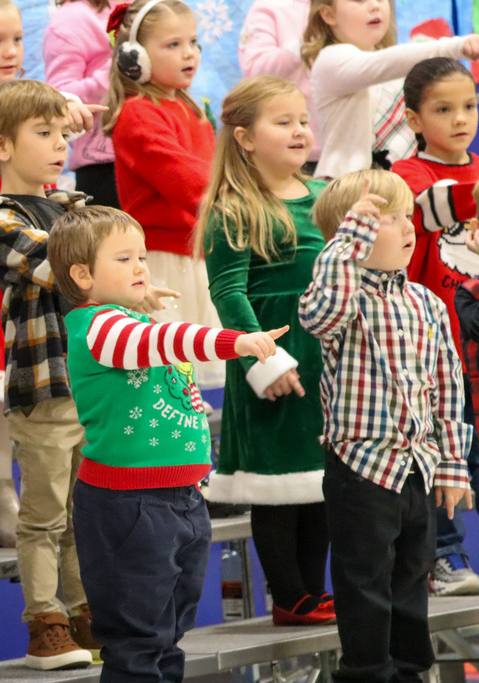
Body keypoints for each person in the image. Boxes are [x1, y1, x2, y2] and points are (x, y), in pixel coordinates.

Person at [47, 205, 285, 683]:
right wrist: (233, 342)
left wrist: (134, 296)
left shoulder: (126, 320)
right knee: (139, 642)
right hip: (130, 505)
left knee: (170, 634)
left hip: (182, 498)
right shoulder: (96, 327)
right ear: (82, 275)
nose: (140, 267)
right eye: (124, 260)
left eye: (142, 257)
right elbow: (161, 342)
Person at [299, 169, 473, 683]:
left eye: (406, 217)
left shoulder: (426, 303)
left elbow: (448, 389)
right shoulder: (340, 301)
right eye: (387, 220)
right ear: (349, 239)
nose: (405, 228)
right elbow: (319, 313)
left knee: (411, 582)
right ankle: (367, 672)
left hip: (418, 468)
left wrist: (452, 466)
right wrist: (349, 240)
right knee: (364, 585)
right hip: (361, 468)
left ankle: (412, 672)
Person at [0, 0, 96, 546]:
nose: (10, 52)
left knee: (42, 369)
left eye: (16, 41)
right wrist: (58, 103)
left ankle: (48, 490)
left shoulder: (26, 111)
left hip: (43, 227)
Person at [0, 78, 108, 668]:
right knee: (44, 515)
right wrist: (112, 265)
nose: (60, 145)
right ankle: (43, 620)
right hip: (45, 386)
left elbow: (104, 265)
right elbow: (61, 268)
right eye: (44, 133)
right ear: (1, 145)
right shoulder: (1, 219)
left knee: (83, 512)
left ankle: (82, 613)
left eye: (63, 134)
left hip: (91, 387)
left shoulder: (76, 209)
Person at [197, 76, 332, 625]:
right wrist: (264, 360)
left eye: (303, 119)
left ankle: (314, 589)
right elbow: (228, 293)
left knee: (320, 477)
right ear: (246, 138)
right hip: (271, 357)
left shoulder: (325, 197)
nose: (300, 130)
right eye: (284, 122)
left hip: (327, 360)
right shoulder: (233, 209)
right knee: (277, 482)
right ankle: (289, 594)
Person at [103, 0, 224, 391]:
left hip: (196, 253)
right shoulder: (138, 113)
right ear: (134, 56)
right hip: (163, 261)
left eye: (193, 42)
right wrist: (242, 202)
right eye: (173, 44)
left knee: (196, 375)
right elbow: (188, 182)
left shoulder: (190, 108)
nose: (189, 53)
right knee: (168, 373)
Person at [392, 57, 479, 596]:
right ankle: (441, 559)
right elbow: (425, 211)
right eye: (442, 109)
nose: (460, 118)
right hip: (438, 350)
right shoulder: (407, 177)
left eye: (469, 106)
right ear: (413, 118)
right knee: (446, 456)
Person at [302, 0, 479, 179]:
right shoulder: (329, 60)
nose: (374, 6)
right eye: (359, 0)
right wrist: (455, 46)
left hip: (403, 186)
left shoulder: (393, 64)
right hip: (348, 190)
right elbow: (385, 63)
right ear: (328, 15)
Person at [43, 0, 118, 208]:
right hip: (103, 166)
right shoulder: (70, 20)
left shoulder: (138, 6)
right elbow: (59, 99)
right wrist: (114, 75)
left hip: (149, 150)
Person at [238, 0, 321, 168]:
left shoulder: (346, 6)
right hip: (287, 153)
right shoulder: (269, 7)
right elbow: (255, 71)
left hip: (350, 146)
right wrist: (304, 44)